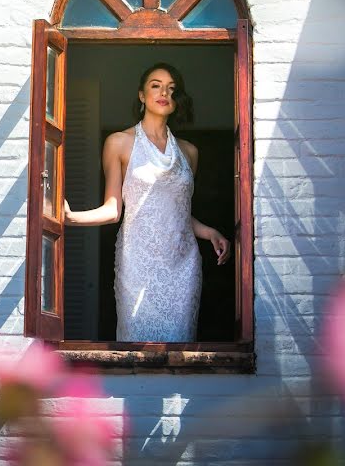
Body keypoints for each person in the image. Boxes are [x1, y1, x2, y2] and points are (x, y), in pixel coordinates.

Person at [63, 63, 230, 342]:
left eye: (171, 88)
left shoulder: (189, 152)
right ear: (141, 95)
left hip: (182, 264)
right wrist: (70, 217)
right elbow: (113, 209)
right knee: (136, 346)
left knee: (179, 349)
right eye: (156, 85)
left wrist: (210, 232)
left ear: (177, 100)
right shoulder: (118, 143)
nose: (164, 92)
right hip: (138, 262)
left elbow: (177, 212)